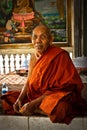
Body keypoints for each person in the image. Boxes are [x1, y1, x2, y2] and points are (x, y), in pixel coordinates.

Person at [1, 24, 85, 124]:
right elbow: (28, 81)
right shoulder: (33, 58)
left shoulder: (60, 56)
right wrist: (20, 98)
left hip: (52, 96)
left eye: (43, 37)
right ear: (31, 39)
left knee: (61, 108)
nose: (38, 41)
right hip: (35, 96)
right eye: (35, 37)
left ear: (50, 39)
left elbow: (63, 89)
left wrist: (34, 104)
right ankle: (33, 108)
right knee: (8, 99)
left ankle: (34, 109)